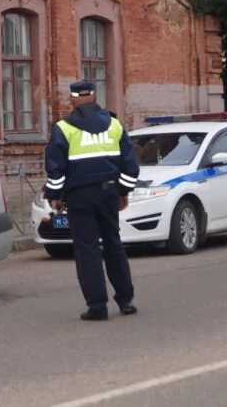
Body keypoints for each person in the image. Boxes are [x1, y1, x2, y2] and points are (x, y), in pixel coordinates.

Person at [44, 80, 140, 321]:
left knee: (87, 250)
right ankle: (126, 300)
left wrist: (55, 196)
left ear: (73, 99)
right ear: (95, 96)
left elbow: (56, 169)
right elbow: (130, 164)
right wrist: (123, 192)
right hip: (109, 193)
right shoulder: (115, 124)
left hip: (80, 197)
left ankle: (97, 307)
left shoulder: (64, 128)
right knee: (113, 244)